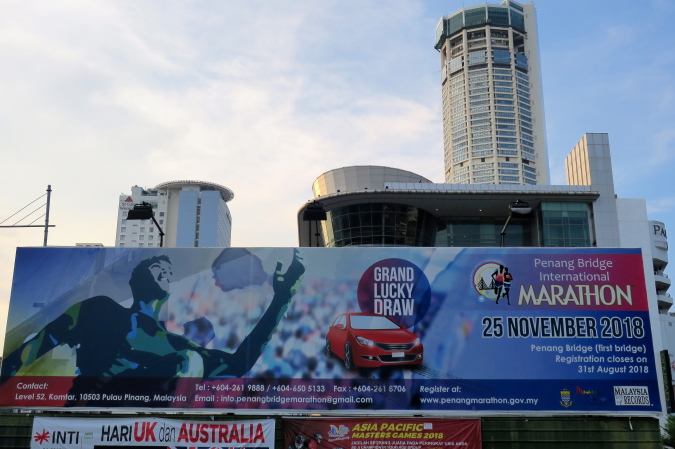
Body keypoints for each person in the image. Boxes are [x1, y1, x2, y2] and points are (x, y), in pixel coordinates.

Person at [1, 249, 305, 405]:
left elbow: (238, 365)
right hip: (86, 417)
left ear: (169, 288)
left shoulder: (175, 346)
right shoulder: (99, 309)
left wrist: (282, 298)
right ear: (137, 280)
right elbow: (32, 348)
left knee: (191, 359)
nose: (164, 272)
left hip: (152, 428)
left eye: (168, 272)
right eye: (156, 268)